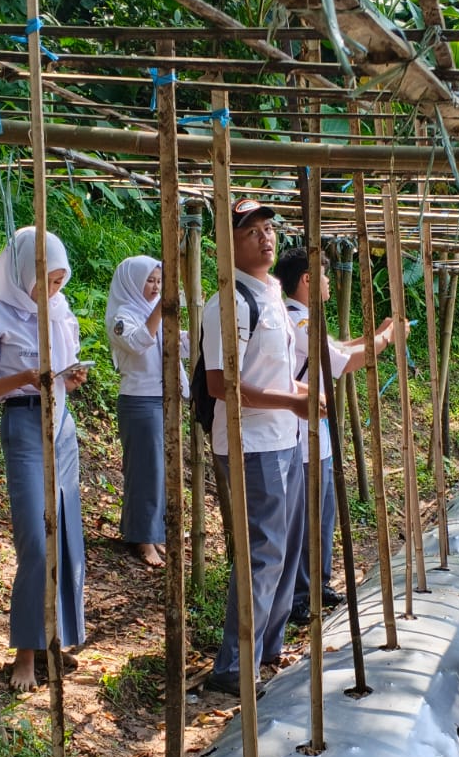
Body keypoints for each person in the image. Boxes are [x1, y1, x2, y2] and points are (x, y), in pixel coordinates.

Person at [0, 228, 88, 691]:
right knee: (36, 539)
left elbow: (65, 367)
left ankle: (56, 640)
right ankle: (25, 654)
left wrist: (67, 379)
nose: (52, 291)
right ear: (21, 273)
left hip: (62, 425)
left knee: (67, 534)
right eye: (45, 281)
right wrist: (23, 378)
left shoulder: (60, 309)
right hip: (24, 423)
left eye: (58, 281)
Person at [201, 200, 310, 697]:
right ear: (229, 244)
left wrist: (301, 395)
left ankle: (266, 646)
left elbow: (276, 371)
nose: (265, 238)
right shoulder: (227, 302)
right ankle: (233, 665)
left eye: (269, 229)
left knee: (282, 550)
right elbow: (221, 383)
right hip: (251, 442)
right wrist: (293, 399)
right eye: (251, 232)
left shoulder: (271, 294)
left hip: (283, 437)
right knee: (262, 554)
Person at [273, 245, 394, 623]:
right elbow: (347, 361)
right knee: (305, 520)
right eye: (324, 275)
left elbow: (336, 350)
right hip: (299, 436)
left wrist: (372, 335)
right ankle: (297, 596)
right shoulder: (299, 322)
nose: (328, 281)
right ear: (308, 279)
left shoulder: (304, 320)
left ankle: (315, 584)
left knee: (321, 516)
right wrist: (387, 340)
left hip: (316, 435)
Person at [105, 255, 188, 570]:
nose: (155, 287)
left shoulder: (152, 313)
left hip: (163, 398)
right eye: (149, 281)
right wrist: (161, 309)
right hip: (140, 401)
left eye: (158, 281)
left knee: (160, 471)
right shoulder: (122, 315)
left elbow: (177, 345)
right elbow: (139, 342)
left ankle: (152, 533)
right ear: (131, 282)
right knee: (145, 471)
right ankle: (141, 538)